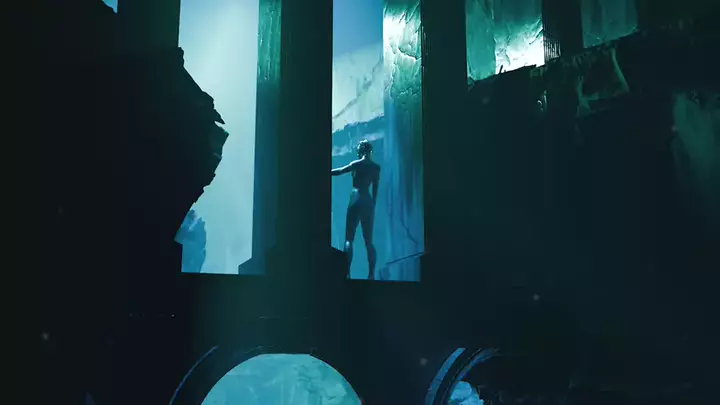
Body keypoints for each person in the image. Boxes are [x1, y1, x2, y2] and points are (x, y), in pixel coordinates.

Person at [331, 140, 380, 279]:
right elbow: (375, 190)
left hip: (356, 197)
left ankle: (347, 273)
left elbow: (340, 171)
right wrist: (372, 206)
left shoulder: (356, 164)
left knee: (349, 239)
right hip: (368, 201)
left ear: (361, 151)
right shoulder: (376, 168)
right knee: (369, 241)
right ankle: (371, 274)